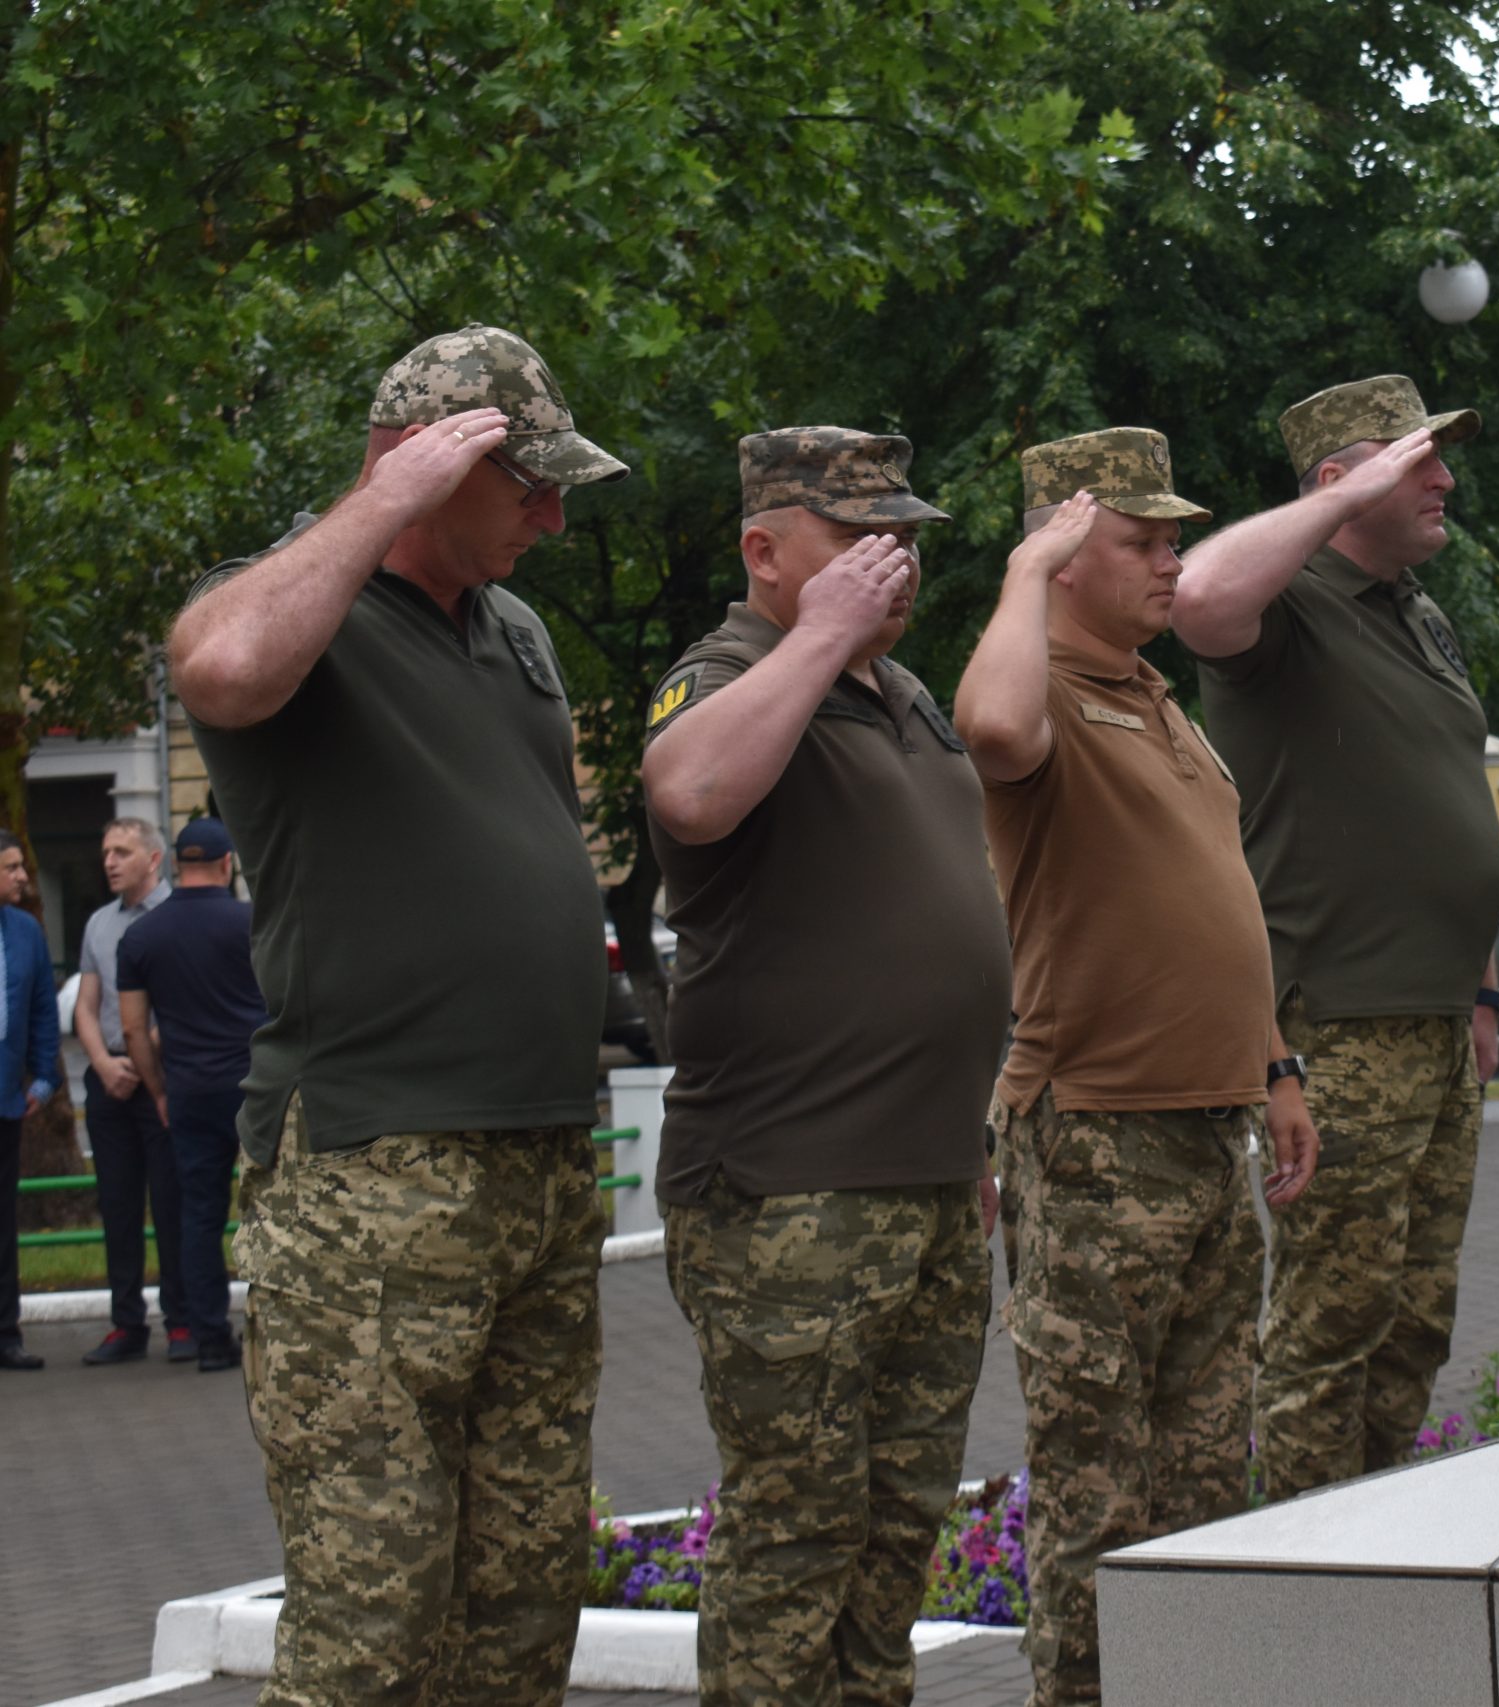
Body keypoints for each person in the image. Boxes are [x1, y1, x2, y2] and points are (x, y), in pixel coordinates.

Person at [165, 323, 626, 1704]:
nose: (551, 517)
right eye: (525, 485)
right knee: (372, 1619)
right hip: (376, 1166)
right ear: (415, 464)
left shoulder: (515, 629)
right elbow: (222, 669)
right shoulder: (291, 601)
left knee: (524, 1598)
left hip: (540, 1157)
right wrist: (380, 505)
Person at [642, 427, 1013, 1707]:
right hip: (787, 1190)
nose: (893, 561)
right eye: (858, 538)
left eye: (903, 537)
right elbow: (691, 794)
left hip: (926, 1177)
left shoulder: (900, 692)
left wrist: (964, 1140)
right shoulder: (729, 672)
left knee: (899, 1519)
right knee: (795, 1530)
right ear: (764, 550)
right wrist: (820, 636)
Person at [953, 429, 1321, 1707]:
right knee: (1098, 1486)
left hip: (1210, 1127)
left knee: (1205, 1476)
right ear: (1065, 554)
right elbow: (989, 727)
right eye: (1142, 540)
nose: (1171, 561)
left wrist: (1276, 1067)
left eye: (1175, 539)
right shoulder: (1042, 686)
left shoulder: (1156, 696)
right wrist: (1021, 572)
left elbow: (1219, 898)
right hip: (1095, 1138)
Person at [1170, 375, 1499, 1501]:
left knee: (1414, 1317)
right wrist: (1342, 499)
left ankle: (1379, 1537)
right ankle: (1305, 1563)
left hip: (1435, 1018)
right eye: (1417, 462)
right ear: (1339, 482)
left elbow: (1444, 794)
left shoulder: (1416, 611)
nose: (1444, 479)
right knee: (1332, 1323)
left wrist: (1482, 987)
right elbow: (1197, 594)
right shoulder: (1289, 606)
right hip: (1341, 1023)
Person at [118, 819, 267, 1373]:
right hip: (258, 1090)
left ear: (177, 864)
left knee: (198, 1216)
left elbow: (134, 1029)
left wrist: (159, 1089)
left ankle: (209, 1338)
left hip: (189, 1091)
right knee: (271, 1210)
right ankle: (274, 1330)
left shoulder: (142, 936)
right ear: (228, 864)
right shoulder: (252, 923)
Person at [75, 818, 186, 1365]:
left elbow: (183, 1002)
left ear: (153, 859)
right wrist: (101, 1061)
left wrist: (142, 1061)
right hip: (109, 1081)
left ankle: (182, 1320)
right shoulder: (99, 923)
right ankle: (126, 1324)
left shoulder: (177, 918)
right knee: (118, 1206)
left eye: (121, 852)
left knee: (171, 1204)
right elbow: (85, 1005)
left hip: (162, 1079)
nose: (110, 862)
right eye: (106, 852)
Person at [0, 831, 61, 1372]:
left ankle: (5, 1334)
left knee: (3, 1223)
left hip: (6, 1100)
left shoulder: (25, 932)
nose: (23, 876)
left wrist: (43, 1079)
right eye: (12, 867)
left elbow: (43, 1008)